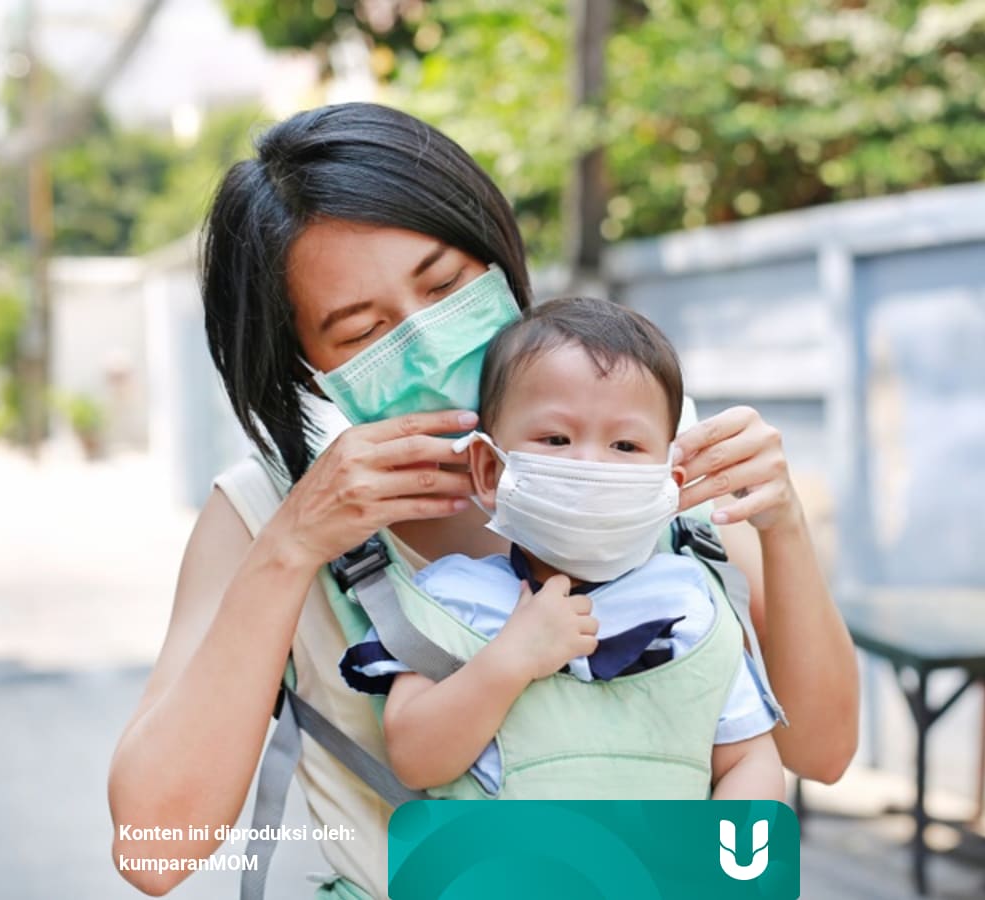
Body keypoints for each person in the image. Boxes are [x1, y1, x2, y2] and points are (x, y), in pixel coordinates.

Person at [107, 102, 858, 899]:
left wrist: (784, 529)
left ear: (497, 252)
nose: (427, 336)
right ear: (303, 365)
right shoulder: (264, 512)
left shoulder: (654, 457)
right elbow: (157, 851)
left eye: (446, 284)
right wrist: (293, 546)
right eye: (362, 331)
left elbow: (823, 750)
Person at [340, 296, 786, 801]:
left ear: (670, 483)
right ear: (489, 470)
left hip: (668, 876)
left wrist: (732, 876)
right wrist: (511, 659)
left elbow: (749, 759)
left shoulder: (692, 604)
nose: (591, 466)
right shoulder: (452, 601)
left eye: (625, 446)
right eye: (556, 438)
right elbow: (416, 759)